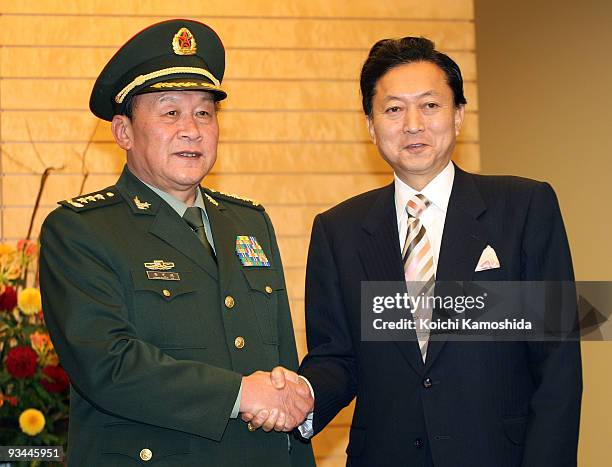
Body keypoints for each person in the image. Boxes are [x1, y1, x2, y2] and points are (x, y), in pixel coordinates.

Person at [250, 36, 582, 466]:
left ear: (458, 115)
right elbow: (337, 357)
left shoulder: (523, 208)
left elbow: (558, 367)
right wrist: (304, 395)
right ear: (370, 125)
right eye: (393, 109)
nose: (412, 124)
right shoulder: (339, 231)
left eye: (430, 105)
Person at [39, 19, 315, 467]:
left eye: (204, 112)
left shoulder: (249, 222)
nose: (192, 129)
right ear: (123, 132)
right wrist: (241, 393)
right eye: (170, 113)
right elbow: (108, 365)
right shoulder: (80, 231)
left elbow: (281, 358)